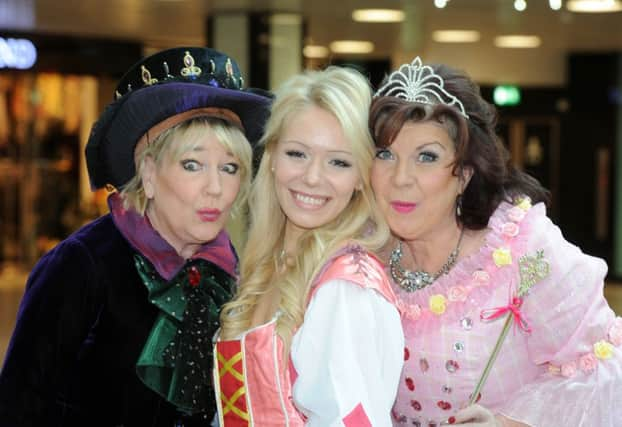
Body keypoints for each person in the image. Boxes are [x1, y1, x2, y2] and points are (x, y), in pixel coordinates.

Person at [0, 47, 271, 426]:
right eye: (192, 165)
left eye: (230, 168)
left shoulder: (223, 270)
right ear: (148, 172)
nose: (216, 188)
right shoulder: (83, 263)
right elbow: (19, 406)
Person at [369, 57, 622, 427]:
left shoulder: (520, 249)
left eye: (427, 156)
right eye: (385, 154)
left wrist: (507, 424)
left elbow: (604, 365)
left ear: (464, 174)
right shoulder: (361, 253)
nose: (400, 178)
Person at [213, 66, 404, 426]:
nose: (313, 177)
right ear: (270, 159)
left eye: (338, 162)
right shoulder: (268, 265)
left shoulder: (345, 288)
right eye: (297, 154)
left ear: (361, 179)